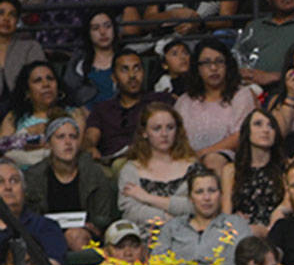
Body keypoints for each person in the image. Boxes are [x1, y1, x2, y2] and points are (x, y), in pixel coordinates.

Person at [22, 116, 112, 251]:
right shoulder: (34, 176)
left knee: (75, 236)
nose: (68, 142)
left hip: (84, 234)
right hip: (44, 233)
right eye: (61, 137)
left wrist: (95, 226)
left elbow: (102, 217)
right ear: (49, 143)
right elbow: (30, 217)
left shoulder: (94, 173)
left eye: (73, 137)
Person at [158, 166, 249, 265]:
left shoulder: (236, 225)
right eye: (199, 192)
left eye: (212, 191)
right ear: (190, 198)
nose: (206, 197)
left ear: (221, 194)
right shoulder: (172, 227)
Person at [114, 102, 196, 230]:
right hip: (145, 234)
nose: (164, 134)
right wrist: (167, 218)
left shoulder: (193, 166)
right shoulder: (131, 169)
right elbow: (130, 211)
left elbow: (198, 205)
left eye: (170, 127)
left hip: (187, 234)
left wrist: (147, 198)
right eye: (157, 128)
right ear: (144, 132)